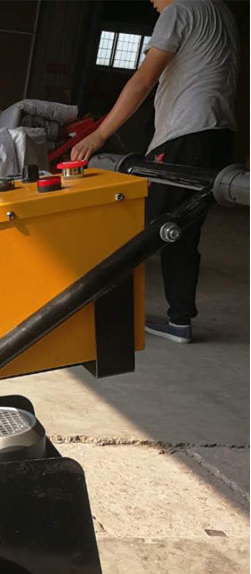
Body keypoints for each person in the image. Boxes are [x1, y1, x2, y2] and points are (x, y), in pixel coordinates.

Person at [73, 0, 239, 343]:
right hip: (219, 136)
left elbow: (144, 79)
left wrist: (100, 134)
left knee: (139, 225)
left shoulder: (180, 10)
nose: (151, 1)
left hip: (184, 136)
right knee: (181, 229)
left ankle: (104, 311)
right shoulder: (221, 11)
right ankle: (180, 320)